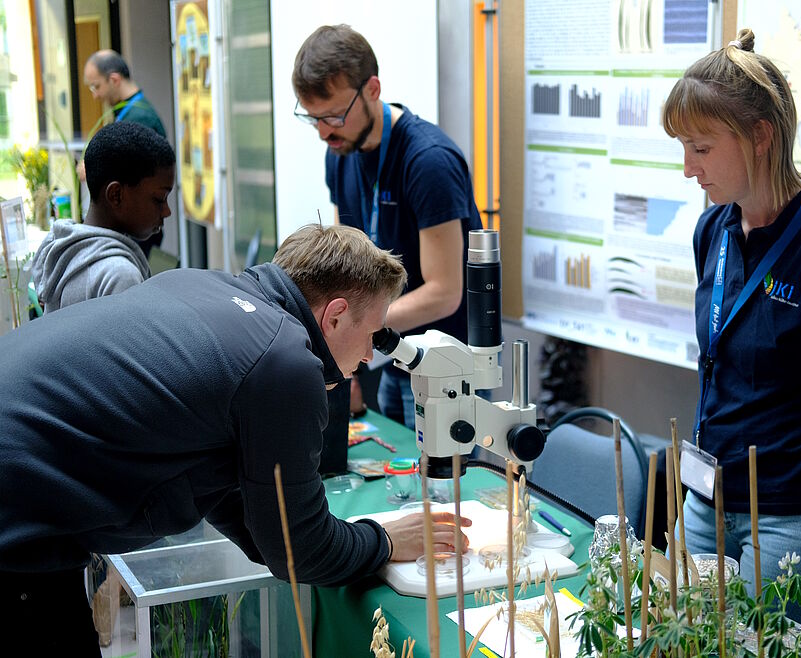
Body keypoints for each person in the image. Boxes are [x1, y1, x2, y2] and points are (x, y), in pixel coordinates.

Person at [0, 224, 470, 655]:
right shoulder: (284, 362)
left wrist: (288, 542)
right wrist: (383, 541)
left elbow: (218, 477)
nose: (369, 355)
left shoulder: (200, 285)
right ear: (336, 316)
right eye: (371, 334)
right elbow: (299, 552)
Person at [661, 29, 801, 647]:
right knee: (686, 642)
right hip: (705, 498)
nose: (688, 168)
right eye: (683, 148)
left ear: (761, 136)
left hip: (793, 518)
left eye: (701, 147)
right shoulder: (713, 231)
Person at [292, 24, 484, 428]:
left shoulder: (428, 161)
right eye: (313, 119)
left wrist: (355, 330)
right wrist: (345, 360)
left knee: (447, 487)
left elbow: (445, 293)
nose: (324, 133)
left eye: (334, 116)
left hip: (448, 369)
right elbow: (346, 271)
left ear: (373, 90)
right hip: (390, 355)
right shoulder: (340, 152)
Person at [31, 121, 175, 312]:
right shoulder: (120, 275)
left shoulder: (60, 250)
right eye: (159, 199)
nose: (167, 211)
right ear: (116, 195)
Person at [82, 49, 168, 257]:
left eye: (96, 86)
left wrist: (93, 168)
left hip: (138, 226)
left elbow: (128, 175)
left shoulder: (139, 118)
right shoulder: (129, 111)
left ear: (114, 79)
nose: (95, 95)